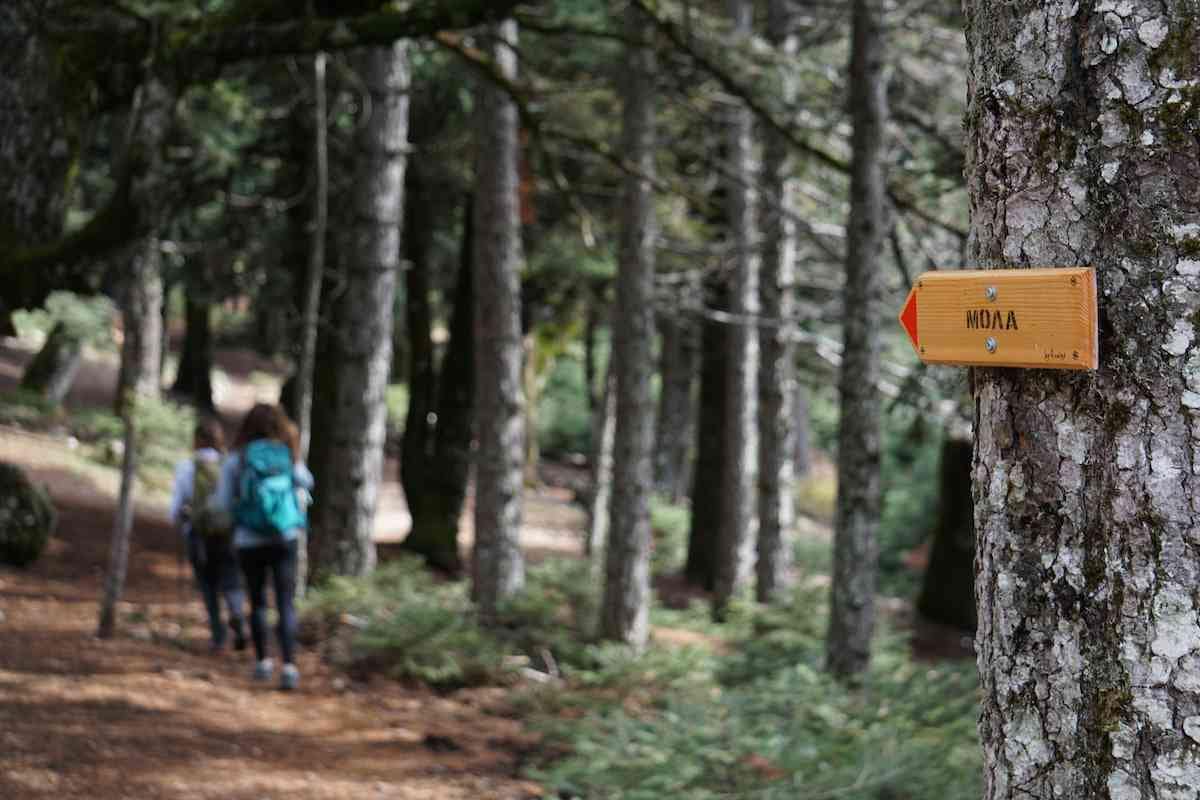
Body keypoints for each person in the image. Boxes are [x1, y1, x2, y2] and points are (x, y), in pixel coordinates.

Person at [210, 403, 313, 691]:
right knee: (285, 602)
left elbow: (221, 502)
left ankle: (264, 662)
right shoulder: (287, 453)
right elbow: (307, 482)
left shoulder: (238, 459)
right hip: (285, 536)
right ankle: (290, 666)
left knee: (257, 601)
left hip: (248, 539)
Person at [169, 417, 247, 653]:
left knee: (208, 585)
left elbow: (175, 508)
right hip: (228, 533)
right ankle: (236, 613)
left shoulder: (186, 467)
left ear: (196, 441)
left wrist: (180, 521)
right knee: (231, 578)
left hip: (198, 535)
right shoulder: (229, 464)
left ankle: (218, 637)